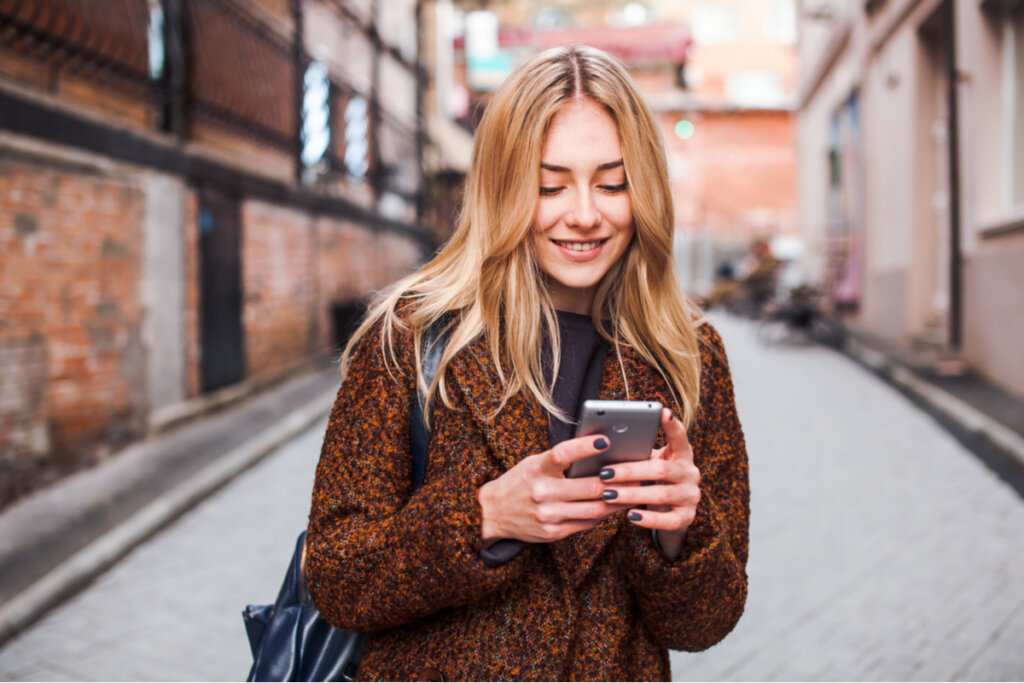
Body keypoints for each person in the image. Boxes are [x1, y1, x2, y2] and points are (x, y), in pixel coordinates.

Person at [306, 45, 749, 681]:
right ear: (504, 187)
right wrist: (484, 517)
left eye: (612, 182)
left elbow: (706, 624)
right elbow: (336, 576)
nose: (585, 214)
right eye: (550, 185)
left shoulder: (686, 351)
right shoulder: (414, 335)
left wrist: (680, 532)